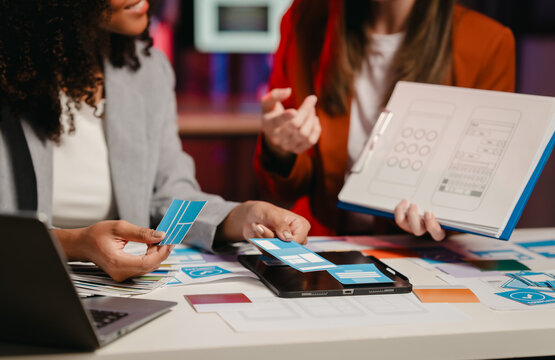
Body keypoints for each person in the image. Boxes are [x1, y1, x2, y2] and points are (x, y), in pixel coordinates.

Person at [0, 0, 310, 282]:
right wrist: (75, 245)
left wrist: (241, 216)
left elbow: (167, 196)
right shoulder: (8, 74)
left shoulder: (147, 70)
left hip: (121, 288)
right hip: (23, 288)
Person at [255, 0, 515, 240]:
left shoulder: (487, 43)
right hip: (327, 241)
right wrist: (280, 149)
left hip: (422, 252)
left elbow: (483, 194)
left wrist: (443, 214)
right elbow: (290, 186)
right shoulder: (307, 20)